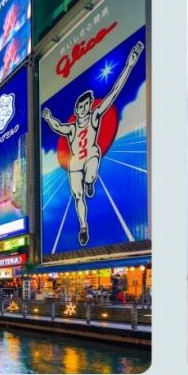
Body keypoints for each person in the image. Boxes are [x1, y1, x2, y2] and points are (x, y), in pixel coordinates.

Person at [40, 40, 144, 247]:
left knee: (92, 167)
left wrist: (129, 65)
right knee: (78, 196)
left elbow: (113, 93)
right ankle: (83, 227)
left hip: (91, 155)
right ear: (77, 109)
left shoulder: (95, 117)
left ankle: (90, 182)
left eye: (87, 105)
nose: (85, 108)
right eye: (82, 106)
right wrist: (48, 118)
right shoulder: (71, 128)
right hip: (75, 163)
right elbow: (57, 126)